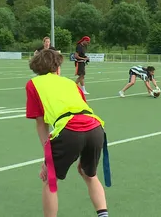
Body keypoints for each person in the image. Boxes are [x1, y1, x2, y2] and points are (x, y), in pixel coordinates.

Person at [25, 49, 110, 217]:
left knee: (50, 181)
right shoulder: (71, 83)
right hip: (96, 127)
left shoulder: (33, 84)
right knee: (90, 175)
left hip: (70, 130)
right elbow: (82, 110)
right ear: (57, 67)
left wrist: (47, 157)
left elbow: (41, 124)